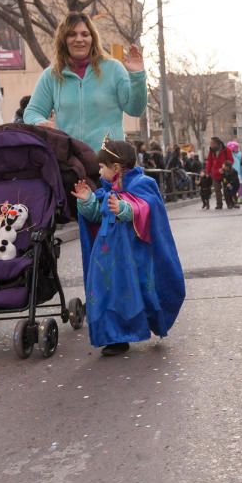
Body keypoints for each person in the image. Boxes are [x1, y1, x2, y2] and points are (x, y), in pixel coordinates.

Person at [71, 139, 185, 356]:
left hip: (132, 256)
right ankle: (114, 338)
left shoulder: (142, 183)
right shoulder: (105, 191)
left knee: (132, 292)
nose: (99, 171)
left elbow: (148, 207)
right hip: (105, 258)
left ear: (115, 168)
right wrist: (87, 201)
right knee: (105, 293)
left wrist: (126, 208)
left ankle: (133, 328)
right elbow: (96, 215)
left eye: (102, 167)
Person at [23, 11, 146, 152]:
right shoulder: (51, 75)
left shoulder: (113, 68)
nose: (79, 39)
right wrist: (39, 122)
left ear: (92, 38)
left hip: (109, 162)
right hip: (70, 161)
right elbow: (32, 112)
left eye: (85, 34)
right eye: (72, 34)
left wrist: (137, 75)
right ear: (64, 40)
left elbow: (136, 109)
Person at [205, 137, 232, 209]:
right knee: (217, 189)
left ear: (217, 143)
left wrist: (225, 168)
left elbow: (231, 160)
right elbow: (209, 162)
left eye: (212, 143)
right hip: (215, 173)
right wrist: (208, 172)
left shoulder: (226, 150)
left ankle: (229, 203)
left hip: (225, 173)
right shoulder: (211, 151)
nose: (210, 144)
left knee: (226, 188)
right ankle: (219, 204)